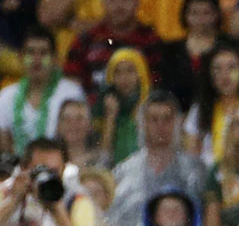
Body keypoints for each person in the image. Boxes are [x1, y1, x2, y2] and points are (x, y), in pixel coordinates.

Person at [108, 90, 206, 226]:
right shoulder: (123, 172)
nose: (160, 126)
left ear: (177, 123)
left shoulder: (196, 170)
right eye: (153, 119)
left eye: (167, 119)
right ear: (141, 124)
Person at [63, 0, 163, 100]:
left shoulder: (151, 40)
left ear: (137, 2)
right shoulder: (85, 40)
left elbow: (159, 87)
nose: (119, 6)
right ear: (103, 3)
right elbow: (71, 85)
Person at [0, 137, 94, 226]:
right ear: (24, 168)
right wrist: (13, 200)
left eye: (54, 171)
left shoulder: (75, 201)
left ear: (64, 169)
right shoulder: (4, 193)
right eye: (41, 170)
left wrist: (58, 211)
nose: (47, 176)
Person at [0, 25, 85, 155]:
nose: (36, 60)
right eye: (30, 52)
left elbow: (78, 142)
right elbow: (4, 145)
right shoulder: (7, 95)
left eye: (43, 53)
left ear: (55, 58)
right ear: (21, 57)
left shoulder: (71, 93)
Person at [183, 42, 239, 165]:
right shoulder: (200, 109)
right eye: (217, 69)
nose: (225, 75)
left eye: (232, 68)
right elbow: (191, 154)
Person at [162, 0, 235, 112]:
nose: (200, 20)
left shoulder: (229, 46)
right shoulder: (171, 50)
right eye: (194, 13)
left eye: (206, 13)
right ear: (185, 15)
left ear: (216, 14)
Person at [95, 47, 151, 166]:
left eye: (130, 70)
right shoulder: (102, 107)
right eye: (117, 72)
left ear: (140, 73)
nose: (124, 77)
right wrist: (110, 118)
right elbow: (102, 159)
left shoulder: (151, 105)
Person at [56, 98, 107, 170]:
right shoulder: (50, 159)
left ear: (89, 125)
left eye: (79, 118)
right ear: (58, 126)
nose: (73, 124)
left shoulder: (100, 160)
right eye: (67, 119)